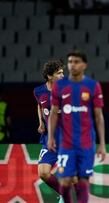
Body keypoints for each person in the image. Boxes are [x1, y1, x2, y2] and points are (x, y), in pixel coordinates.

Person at [47, 51, 106, 203]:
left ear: (84, 65)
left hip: (86, 143)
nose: (72, 65)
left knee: (83, 181)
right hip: (66, 143)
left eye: (76, 62)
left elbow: (99, 116)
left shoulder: (93, 86)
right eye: (70, 62)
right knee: (65, 182)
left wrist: (103, 144)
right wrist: (51, 137)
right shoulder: (59, 86)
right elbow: (53, 113)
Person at [34, 59, 65, 202]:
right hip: (49, 141)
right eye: (59, 73)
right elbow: (40, 105)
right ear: (49, 76)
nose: (63, 76)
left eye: (63, 72)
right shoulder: (39, 91)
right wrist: (41, 122)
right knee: (43, 173)